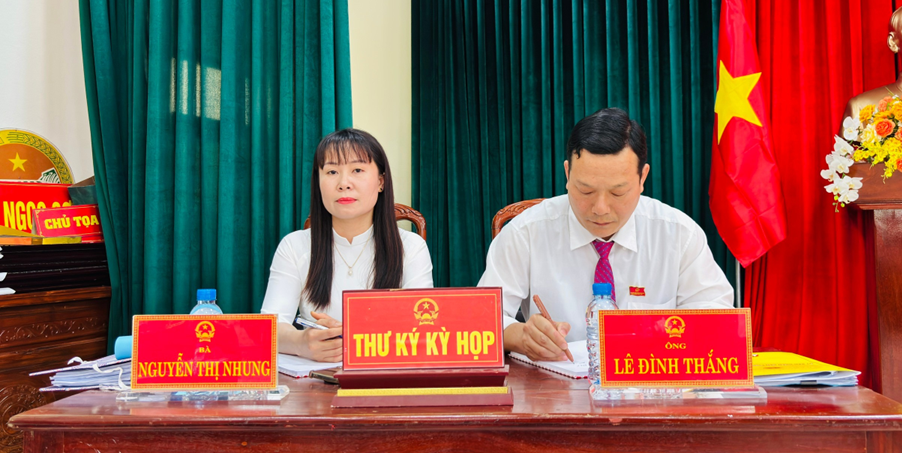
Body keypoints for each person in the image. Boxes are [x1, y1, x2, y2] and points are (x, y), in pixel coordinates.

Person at [477, 108, 733, 361]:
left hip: (652, 379)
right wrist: (521, 336)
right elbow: (482, 321)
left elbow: (716, 317)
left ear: (642, 178)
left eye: (617, 193)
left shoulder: (678, 235)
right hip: (556, 383)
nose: (600, 209)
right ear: (567, 174)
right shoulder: (525, 233)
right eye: (585, 191)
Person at [261, 129, 434, 362]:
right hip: (316, 376)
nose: (344, 184)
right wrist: (302, 343)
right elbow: (270, 327)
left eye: (357, 170)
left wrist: (354, 337)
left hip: (385, 375)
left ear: (381, 181)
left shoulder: (411, 247)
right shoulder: (294, 246)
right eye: (332, 172)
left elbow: (423, 331)